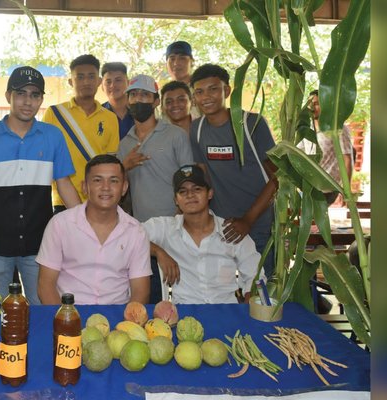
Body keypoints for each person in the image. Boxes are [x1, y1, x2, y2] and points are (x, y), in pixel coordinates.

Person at [0, 66, 81, 304]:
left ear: (41, 99)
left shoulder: (53, 136)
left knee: (42, 307)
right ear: (8, 96)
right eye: (21, 94)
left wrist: (85, 226)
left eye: (35, 95)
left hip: (40, 246)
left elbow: (64, 184)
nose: (28, 101)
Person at [189, 64, 279, 278]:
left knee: (261, 294)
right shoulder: (197, 129)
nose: (206, 97)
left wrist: (248, 219)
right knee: (223, 293)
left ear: (227, 91)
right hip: (222, 229)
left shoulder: (252, 124)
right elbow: (203, 178)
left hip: (258, 226)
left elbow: (278, 177)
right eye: (199, 92)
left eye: (213, 89)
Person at [116, 74, 194, 303]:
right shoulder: (125, 143)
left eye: (145, 95)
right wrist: (124, 166)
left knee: (182, 292)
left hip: (178, 226)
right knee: (149, 295)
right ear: (127, 101)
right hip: (143, 232)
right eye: (133, 95)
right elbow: (117, 188)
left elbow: (188, 181)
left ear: (156, 101)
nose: (138, 100)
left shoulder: (175, 135)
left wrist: (185, 219)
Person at [36, 155, 151, 305]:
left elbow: (140, 291)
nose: (106, 187)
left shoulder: (136, 232)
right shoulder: (60, 224)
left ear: (124, 188)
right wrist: (65, 320)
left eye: (114, 181)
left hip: (117, 315)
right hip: (70, 314)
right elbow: (45, 286)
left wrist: (127, 324)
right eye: (97, 180)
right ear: (85, 187)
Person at [143, 165, 262, 304]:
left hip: (226, 312)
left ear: (210, 193)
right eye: (183, 191)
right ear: (176, 200)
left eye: (197, 189)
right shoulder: (165, 228)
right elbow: (128, 235)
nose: (190, 195)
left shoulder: (232, 231)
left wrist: (248, 311)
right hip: (183, 314)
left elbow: (256, 277)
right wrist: (158, 252)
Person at [43, 54, 119, 213]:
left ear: (99, 81)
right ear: (71, 81)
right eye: (80, 77)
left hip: (99, 199)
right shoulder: (54, 113)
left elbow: (111, 162)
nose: (86, 82)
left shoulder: (110, 118)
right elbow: (44, 158)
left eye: (91, 76)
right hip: (62, 200)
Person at [298, 90, 353, 205]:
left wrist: (346, 192)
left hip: (327, 188)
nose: (313, 108)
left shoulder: (338, 129)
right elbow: (298, 154)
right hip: (307, 187)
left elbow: (347, 159)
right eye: (311, 104)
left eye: (317, 104)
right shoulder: (306, 130)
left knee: (316, 220)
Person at [164, 41, 200, 119]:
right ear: (166, 64)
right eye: (172, 59)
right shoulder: (162, 95)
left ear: (192, 62)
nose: (176, 63)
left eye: (182, 58)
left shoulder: (201, 90)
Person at [100, 62, 135, 140]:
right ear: (102, 86)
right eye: (108, 82)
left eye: (118, 80)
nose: (113, 85)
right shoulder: (96, 114)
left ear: (128, 83)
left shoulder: (139, 111)